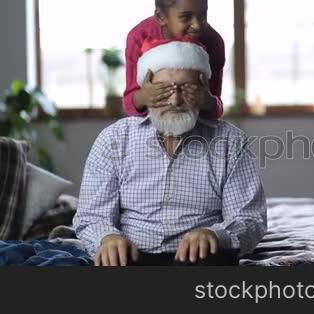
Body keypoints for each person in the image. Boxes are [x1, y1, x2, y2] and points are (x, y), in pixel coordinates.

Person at [74, 38, 266, 266]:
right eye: (163, 90)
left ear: (204, 88)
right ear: (146, 89)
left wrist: (215, 235)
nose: (175, 100)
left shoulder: (231, 142)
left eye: (187, 89)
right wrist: (108, 238)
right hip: (130, 255)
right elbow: (91, 216)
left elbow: (250, 219)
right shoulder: (114, 139)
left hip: (200, 260)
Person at [123, 0, 224, 119]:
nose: (197, 25)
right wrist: (143, 97)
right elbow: (129, 103)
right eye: (186, 17)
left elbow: (217, 106)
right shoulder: (138, 37)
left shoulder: (214, 42)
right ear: (161, 16)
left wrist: (209, 102)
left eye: (203, 15)